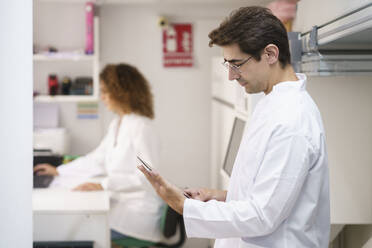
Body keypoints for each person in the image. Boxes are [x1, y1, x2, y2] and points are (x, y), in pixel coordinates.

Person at [138, 6, 330, 248]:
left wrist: (184, 206)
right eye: (227, 64)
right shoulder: (271, 103)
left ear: (270, 54)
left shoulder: (292, 121)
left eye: (236, 64)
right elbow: (271, 193)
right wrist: (219, 196)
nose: (231, 75)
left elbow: (263, 216)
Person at [34, 63, 164, 243]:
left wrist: (104, 184)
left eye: (105, 91)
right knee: (74, 225)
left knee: (79, 232)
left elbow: (147, 175)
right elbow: (97, 159)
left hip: (137, 213)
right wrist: (60, 171)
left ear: (122, 92)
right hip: (121, 205)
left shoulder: (141, 127)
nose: (101, 97)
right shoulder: (118, 123)